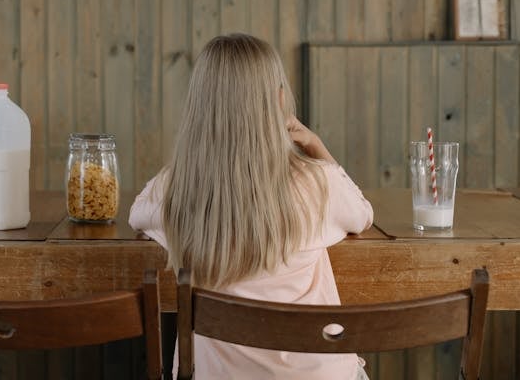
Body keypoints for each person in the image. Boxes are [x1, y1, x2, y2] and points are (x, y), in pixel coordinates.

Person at [129, 34, 373, 379]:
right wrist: (317, 147)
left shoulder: (177, 190)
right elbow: (363, 214)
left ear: (198, 107)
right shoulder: (320, 183)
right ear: (278, 99)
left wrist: (185, 164)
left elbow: (136, 212)